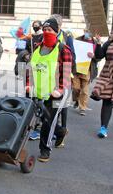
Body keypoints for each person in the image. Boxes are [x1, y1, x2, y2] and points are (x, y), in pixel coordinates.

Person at [28, 18, 72, 162]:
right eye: (45, 30)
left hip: (58, 92)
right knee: (42, 117)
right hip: (41, 91)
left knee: (48, 121)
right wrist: (28, 84)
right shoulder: (37, 47)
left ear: (56, 31)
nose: (47, 32)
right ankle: (61, 132)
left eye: (50, 30)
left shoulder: (63, 49)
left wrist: (59, 89)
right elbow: (30, 68)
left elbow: (66, 72)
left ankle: (45, 150)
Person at [72, 29, 103, 116]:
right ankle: (77, 100)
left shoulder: (96, 43)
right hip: (76, 69)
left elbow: (99, 57)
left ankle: (82, 108)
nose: (88, 32)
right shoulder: (77, 40)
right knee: (75, 88)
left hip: (88, 69)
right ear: (84, 30)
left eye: (90, 31)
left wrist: (94, 56)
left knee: (85, 91)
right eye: (86, 30)